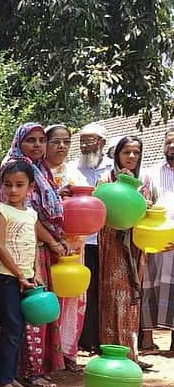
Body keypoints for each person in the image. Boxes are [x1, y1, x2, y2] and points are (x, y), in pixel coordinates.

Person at [3, 123, 68, 387]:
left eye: (42, 140)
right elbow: (28, 218)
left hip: (38, 249)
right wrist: (52, 241)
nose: (38, 145)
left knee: (35, 311)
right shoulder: (16, 168)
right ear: (19, 142)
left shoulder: (40, 169)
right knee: (26, 313)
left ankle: (31, 369)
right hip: (22, 252)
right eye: (31, 140)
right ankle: (26, 372)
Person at [97, 137, 157, 365]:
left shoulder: (146, 181)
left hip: (135, 247)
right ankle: (112, 352)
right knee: (114, 298)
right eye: (126, 152)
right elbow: (100, 211)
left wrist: (144, 207)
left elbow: (150, 212)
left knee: (132, 298)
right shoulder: (106, 180)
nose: (131, 157)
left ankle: (131, 353)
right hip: (113, 245)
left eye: (135, 152)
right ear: (117, 155)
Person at [0, 159, 42, 387]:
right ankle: (3, 381)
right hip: (6, 277)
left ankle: (12, 377)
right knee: (11, 328)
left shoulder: (31, 213)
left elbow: (35, 245)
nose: (13, 190)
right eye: (8, 185)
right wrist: (20, 275)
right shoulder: (1, 211)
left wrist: (36, 272)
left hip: (26, 278)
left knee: (20, 329)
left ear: (30, 186)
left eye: (19, 185)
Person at [44, 124, 88, 371]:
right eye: (55, 141)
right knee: (49, 298)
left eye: (66, 142)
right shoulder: (38, 173)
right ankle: (47, 356)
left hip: (73, 249)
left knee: (71, 300)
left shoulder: (75, 174)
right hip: (47, 247)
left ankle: (68, 354)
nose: (61, 146)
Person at [75, 122, 112, 353]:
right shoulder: (73, 170)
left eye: (90, 140)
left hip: (106, 240)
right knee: (84, 289)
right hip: (81, 241)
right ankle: (84, 340)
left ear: (102, 143)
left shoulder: (111, 171)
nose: (85, 146)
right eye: (82, 141)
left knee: (103, 289)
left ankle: (103, 339)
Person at [140, 128, 174, 352]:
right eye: (168, 142)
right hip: (154, 238)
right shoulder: (149, 173)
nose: (172, 147)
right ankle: (147, 340)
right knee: (149, 287)